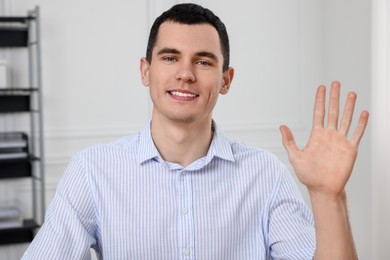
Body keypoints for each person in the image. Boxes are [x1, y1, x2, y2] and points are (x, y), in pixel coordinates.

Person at [22, 3, 369, 259]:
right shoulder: (92, 171)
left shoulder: (266, 175)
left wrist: (327, 196)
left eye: (203, 61)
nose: (186, 73)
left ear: (226, 80)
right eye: (170, 58)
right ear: (146, 71)